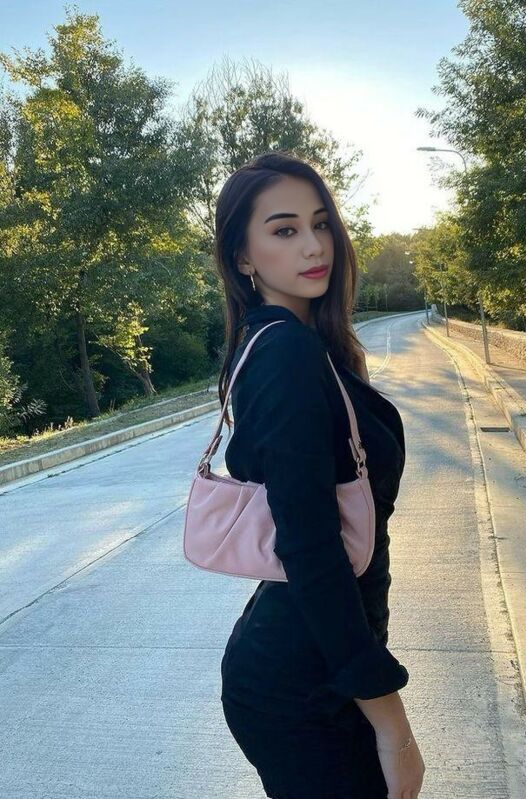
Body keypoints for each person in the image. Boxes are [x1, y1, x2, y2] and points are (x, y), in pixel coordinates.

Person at [214, 151, 425, 798]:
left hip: (318, 663)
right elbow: (310, 547)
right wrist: (392, 723)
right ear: (243, 257)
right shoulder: (285, 354)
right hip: (301, 688)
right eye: (284, 230)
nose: (313, 245)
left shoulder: (307, 346)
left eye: (321, 223)